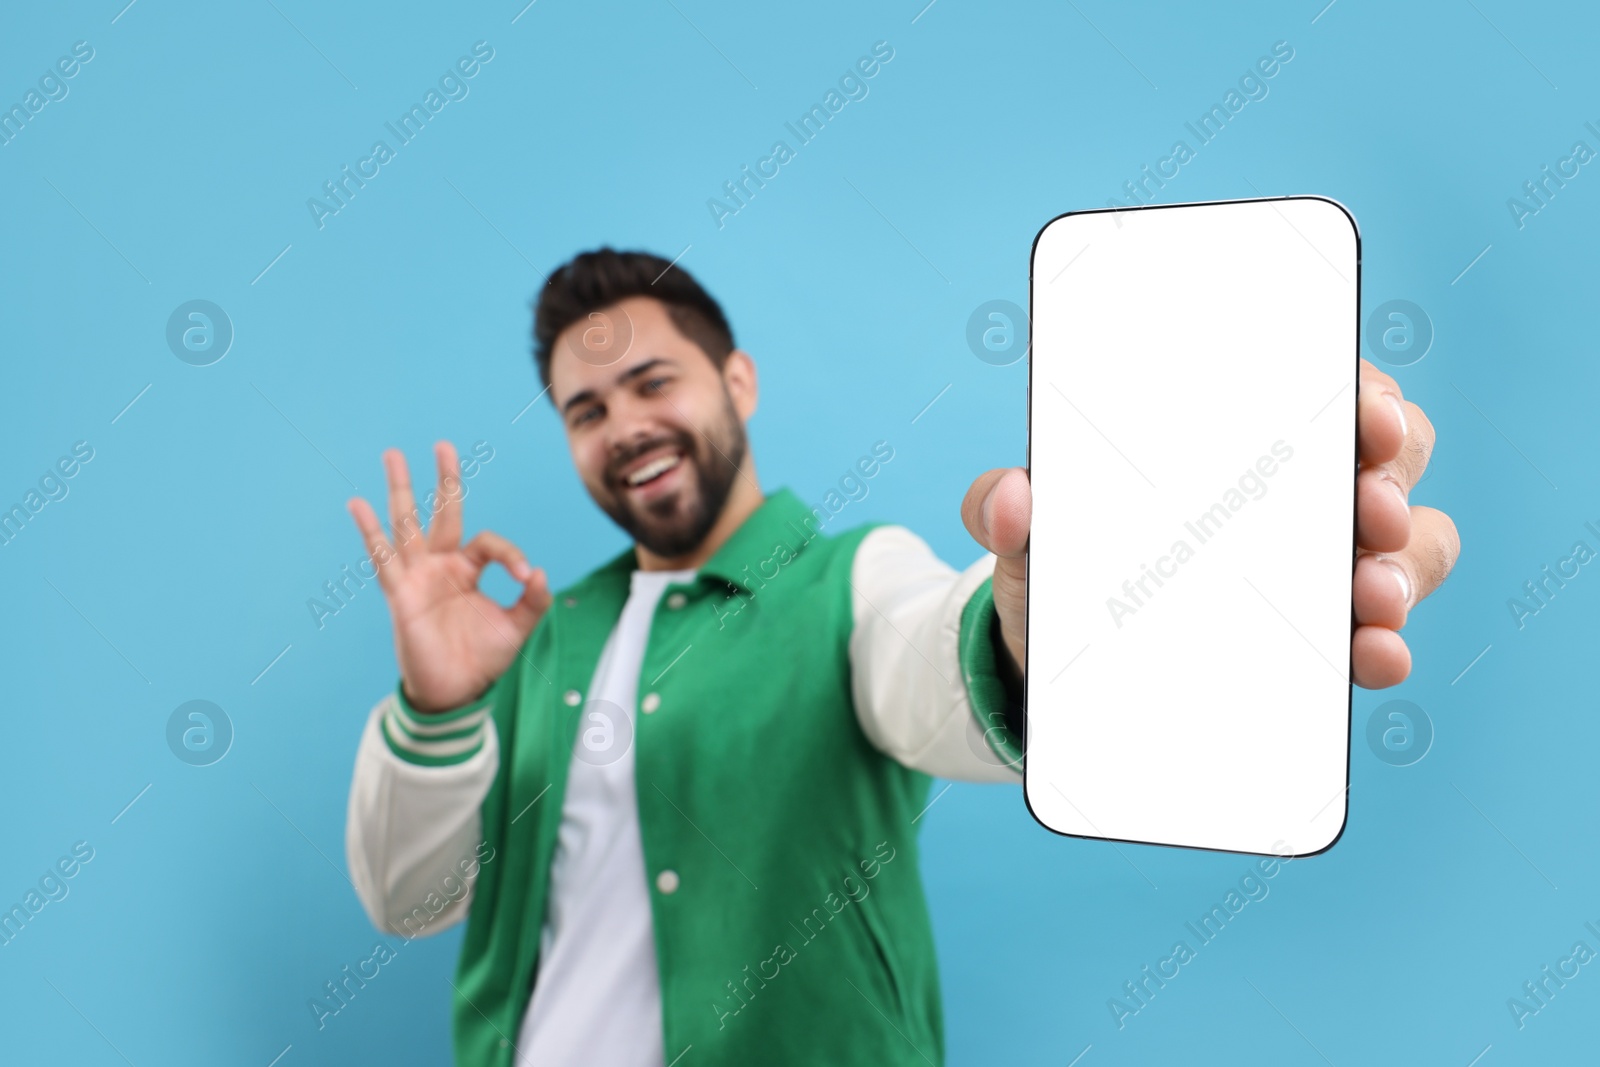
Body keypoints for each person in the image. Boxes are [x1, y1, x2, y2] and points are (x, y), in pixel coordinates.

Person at [342, 248, 1458, 1066]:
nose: (623, 424)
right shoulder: (543, 640)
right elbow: (414, 900)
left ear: (736, 382)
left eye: (651, 382)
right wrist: (439, 705)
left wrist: (1055, 614)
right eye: (584, 408)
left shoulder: (851, 579)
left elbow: (933, 661)